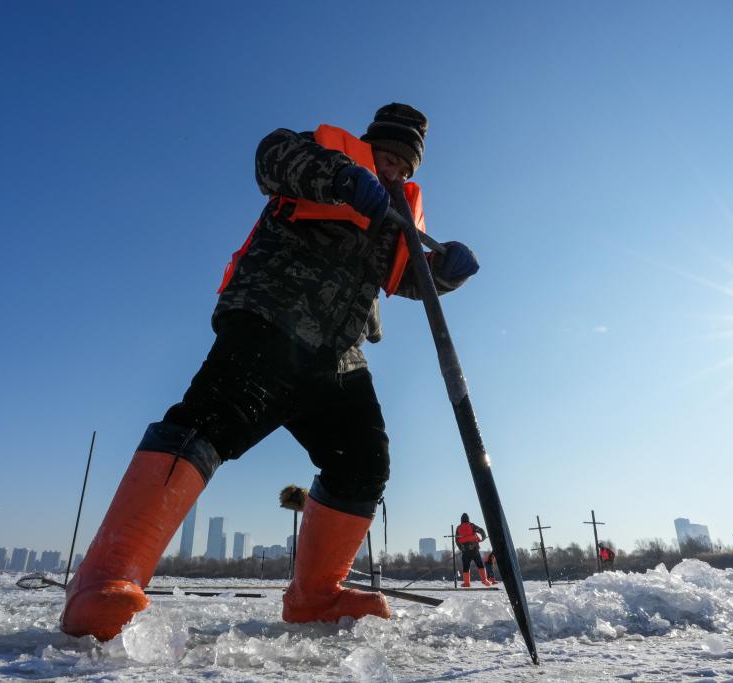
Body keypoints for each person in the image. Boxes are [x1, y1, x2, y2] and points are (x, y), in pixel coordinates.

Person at [59, 103, 480, 641]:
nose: (394, 170)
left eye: (404, 165)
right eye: (387, 156)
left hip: (339, 356)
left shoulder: (396, 212)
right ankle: (106, 579)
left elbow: (404, 278)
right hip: (273, 319)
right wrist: (342, 177)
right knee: (207, 425)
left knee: (363, 462)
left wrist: (445, 273)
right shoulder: (324, 155)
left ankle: (316, 595)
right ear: (369, 144)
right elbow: (271, 157)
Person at [455, 513, 492, 587]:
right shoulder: (472, 525)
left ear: (461, 520)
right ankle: (485, 581)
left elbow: (457, 540)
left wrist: (461, 548)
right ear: (468, 519)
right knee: (480, 565)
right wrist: (483, 537)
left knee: (466, 567)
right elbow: (481, 530)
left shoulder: (458, 528)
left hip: (465, 551)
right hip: (475, 549)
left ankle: (467, 583)